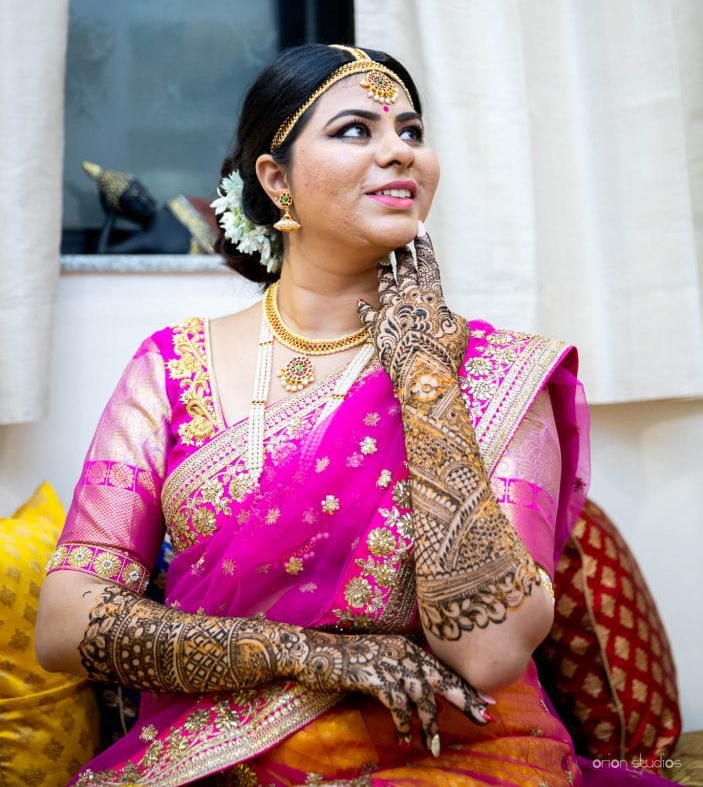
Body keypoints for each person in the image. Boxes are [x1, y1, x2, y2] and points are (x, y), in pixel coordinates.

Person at [36, 44, 661, 786]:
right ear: (275, 180)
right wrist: (311, 655)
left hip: (451, 757)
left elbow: (489, 652)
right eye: (356, 131)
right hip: (217, 754)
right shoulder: (171, 369)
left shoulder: (494, 373)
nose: (399, 151)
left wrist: (423, 372)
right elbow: (66, 623)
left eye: (411, 131)